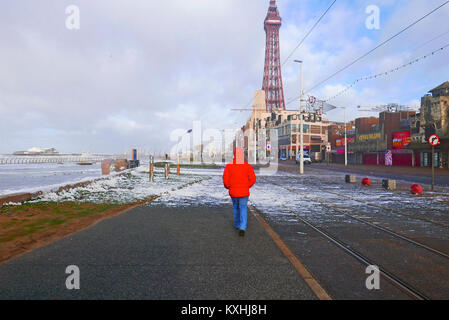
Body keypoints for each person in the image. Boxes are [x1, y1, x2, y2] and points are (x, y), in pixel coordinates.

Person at [222, 147, 256, 237]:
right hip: (244, 192)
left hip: (233, 191)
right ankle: (242, 227)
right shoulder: (247, 166)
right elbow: (253, 179)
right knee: (243, 208)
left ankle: (237, 224)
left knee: (235, 207)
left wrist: (228, 186)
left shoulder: (229, 166)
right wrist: (247, 186)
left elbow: (225, 179)